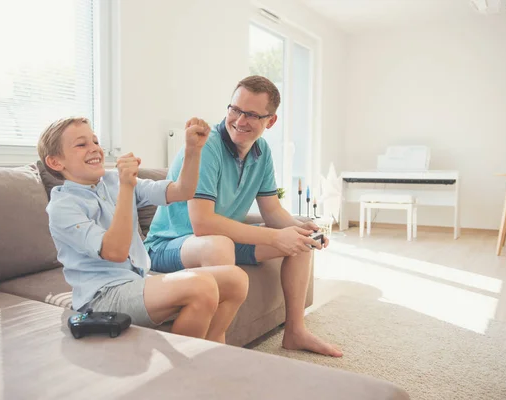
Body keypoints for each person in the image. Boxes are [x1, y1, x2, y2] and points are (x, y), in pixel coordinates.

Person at [145, 76, 342, 357]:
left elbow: (271, 210)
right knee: (219, 244)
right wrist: (276, 236)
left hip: (219, 239)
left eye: (251, 115)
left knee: (301, 241)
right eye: (235, 109)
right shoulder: (207, 146)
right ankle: (217, 347)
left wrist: (300, 228)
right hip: (170, 245)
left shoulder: (262, 153)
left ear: (270, 121)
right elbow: (203, 224)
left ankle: (295, 331)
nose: (239, 120)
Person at [38, 116, 249, 343]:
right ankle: (184, 374)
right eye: (81, 144)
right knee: (201, 286)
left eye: (96, 142)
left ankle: (213, 355)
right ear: (56, 162)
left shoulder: (112, 182)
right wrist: (127, 186)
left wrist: (192, 150)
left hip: (136, 282)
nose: (95, 149)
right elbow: (115, 252)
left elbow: (182, 191)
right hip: (102, 297)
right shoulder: (63, 206)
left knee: (236, 280)